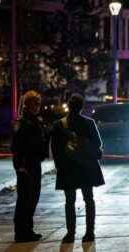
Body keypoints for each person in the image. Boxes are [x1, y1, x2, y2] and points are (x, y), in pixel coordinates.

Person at [50, 94, 105, 243]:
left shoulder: (59, 125)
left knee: (69, 201)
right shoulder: (89, 123)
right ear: (81, 107)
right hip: (87, 167)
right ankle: (89, 233)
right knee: (89, 199)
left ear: (68, 106)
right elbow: (98, 144)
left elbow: (55, 149)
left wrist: (59, 165)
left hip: (68, 168)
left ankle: (70, 234)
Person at [11, 91, 49, 242]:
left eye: (38, 103)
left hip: (35, 164)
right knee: (24, 200)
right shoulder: (22, 122)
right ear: (28, 105)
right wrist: (19, 166)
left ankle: (28, 230)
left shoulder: (36, 121)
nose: (37, 106)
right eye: (35, 104)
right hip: (26, 165)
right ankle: (21, 232)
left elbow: (43, 138)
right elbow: (16, 147)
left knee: (33, 198)